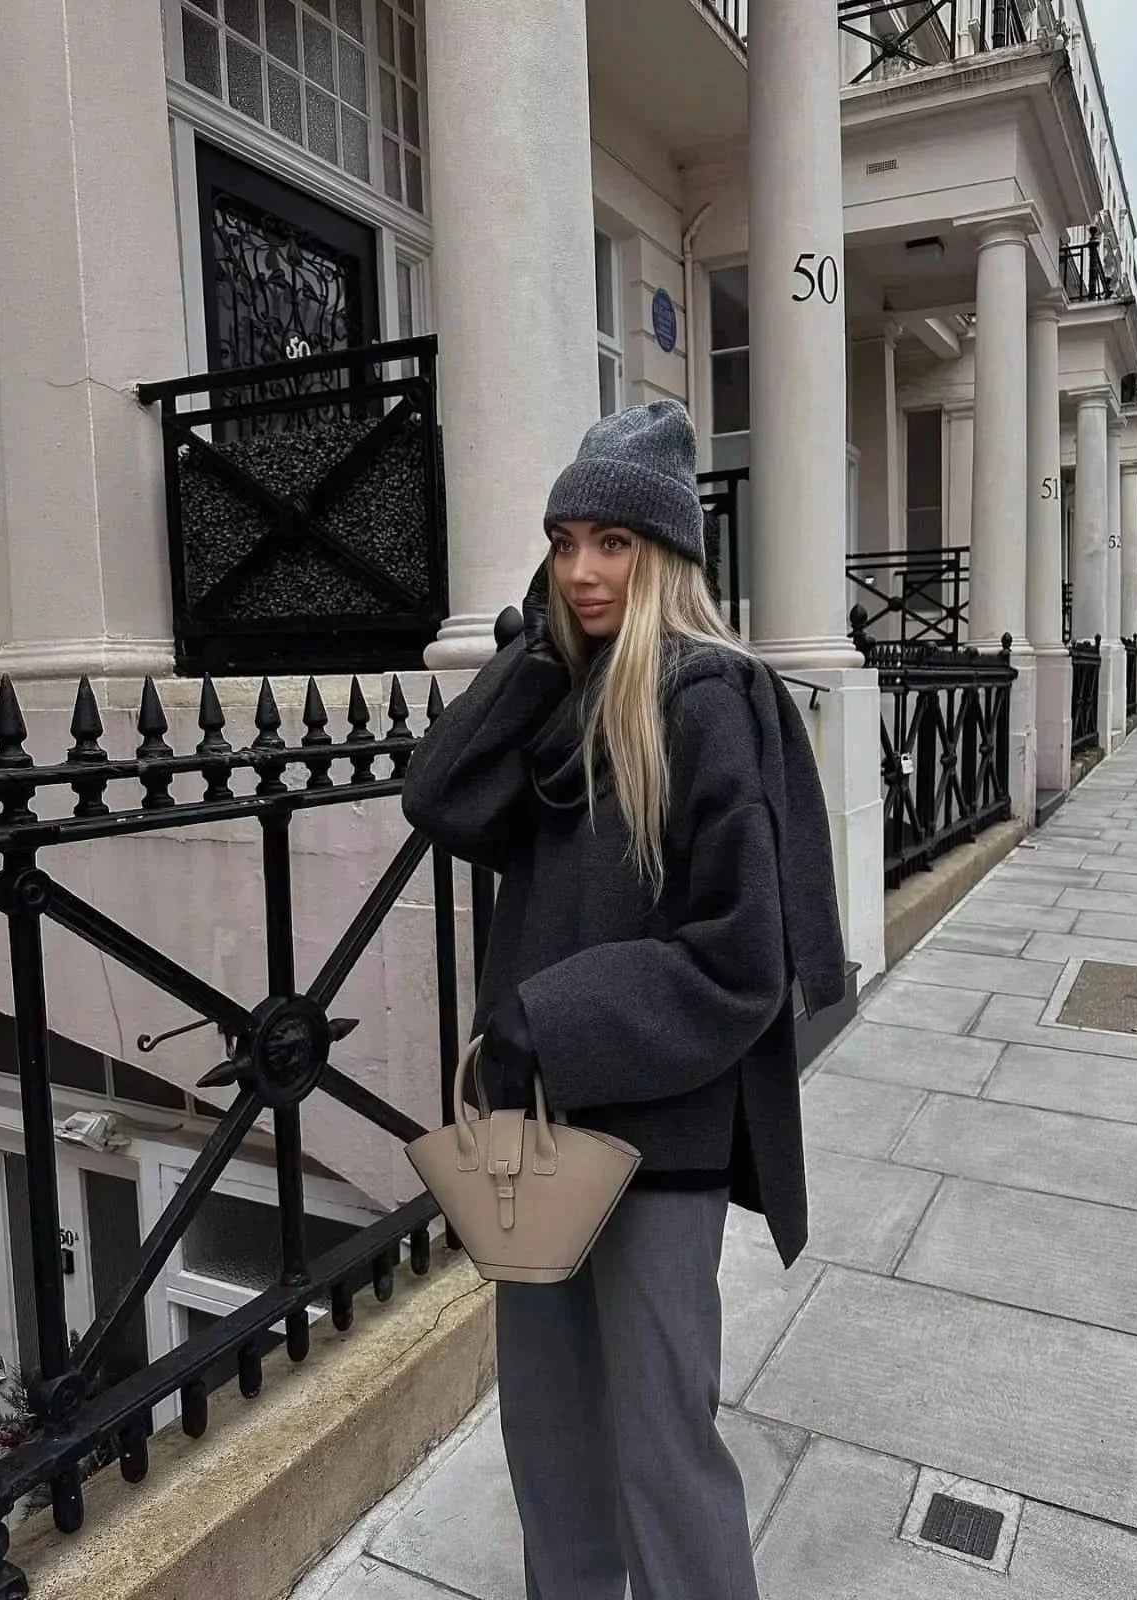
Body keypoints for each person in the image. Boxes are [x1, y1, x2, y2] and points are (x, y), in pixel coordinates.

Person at [401, 400, 844, 1600]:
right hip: (541, 1129)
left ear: (666, 555)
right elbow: (438, 796)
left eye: (612, 545)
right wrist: (539, 648)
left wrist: (557, 1013)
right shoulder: (567, 692)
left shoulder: (705, 700)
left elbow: (742, 959)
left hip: (658, 1138)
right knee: (548, 1436)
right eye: (564, 542)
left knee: (660, 1446)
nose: (582, 570)